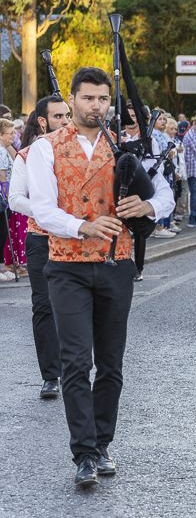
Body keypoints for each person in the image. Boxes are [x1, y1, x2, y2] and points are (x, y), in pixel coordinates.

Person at [26, 66, 175, 487]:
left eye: (103, 99)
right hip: (66, 265)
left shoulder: (127, 147)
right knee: (76, 362)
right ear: (72, 100)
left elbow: (164, 191)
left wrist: (148, 207)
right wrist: (83, 226)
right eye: (88, 98)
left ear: (111, 102)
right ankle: (84, 454)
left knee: (110, 363)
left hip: (117, 264)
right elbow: (42, 209)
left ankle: (103, 444)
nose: (96, 105)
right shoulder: (45, 149)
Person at [9, 95, 71, 400]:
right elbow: (15, 199)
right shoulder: (26, 155)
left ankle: (76, 368)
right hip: (41, 239)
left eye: (67, 116)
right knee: (44, 306)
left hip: (75, 238)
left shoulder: (81, 152)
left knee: (76, 305)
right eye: (58, 117)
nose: (65, 122)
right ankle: (50, 375)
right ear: (43, 121)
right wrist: (47, 211)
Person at [0, 118, 26, 278]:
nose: (13, 136)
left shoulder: (5, 149)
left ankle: (7, 266)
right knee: (3, 233)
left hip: (6, 195)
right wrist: (9, 198)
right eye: (9, 133)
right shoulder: (1, 151)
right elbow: (2, 177)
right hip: (4, 197)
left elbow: (17, 158)